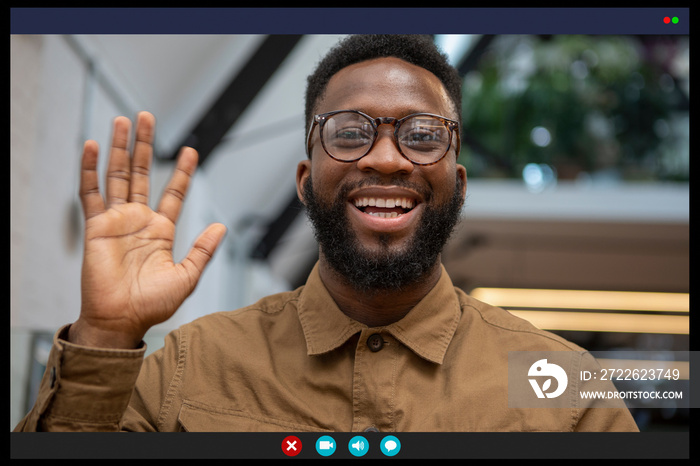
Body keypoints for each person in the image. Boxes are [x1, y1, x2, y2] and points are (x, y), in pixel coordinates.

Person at [15, 35, 638, 432]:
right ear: (304, 180)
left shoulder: (568, 389)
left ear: (461, 182)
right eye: (349, 132)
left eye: (422, 136)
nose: (388, 160)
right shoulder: (188, 367)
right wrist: (105, 334)